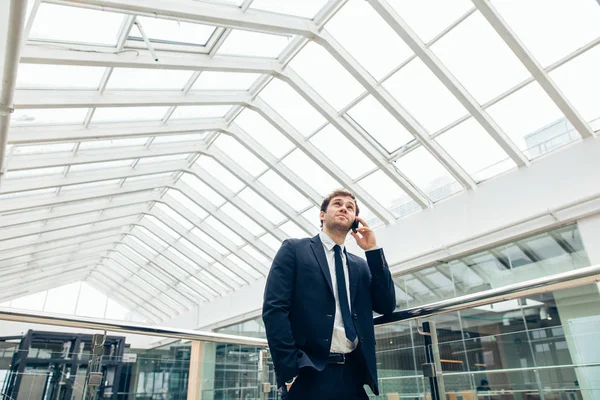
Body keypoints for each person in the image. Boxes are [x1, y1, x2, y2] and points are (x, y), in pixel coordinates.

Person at [262, 189, 396, 399]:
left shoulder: (360, 266)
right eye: (337, 204)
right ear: (322, 214)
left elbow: (386, 305)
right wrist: (289, 372)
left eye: (350, 207)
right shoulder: (295, 250)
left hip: (353, 375)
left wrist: (372, 251)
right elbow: (274, 310)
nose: (344, 207)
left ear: (354, 221)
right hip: (309, 374)